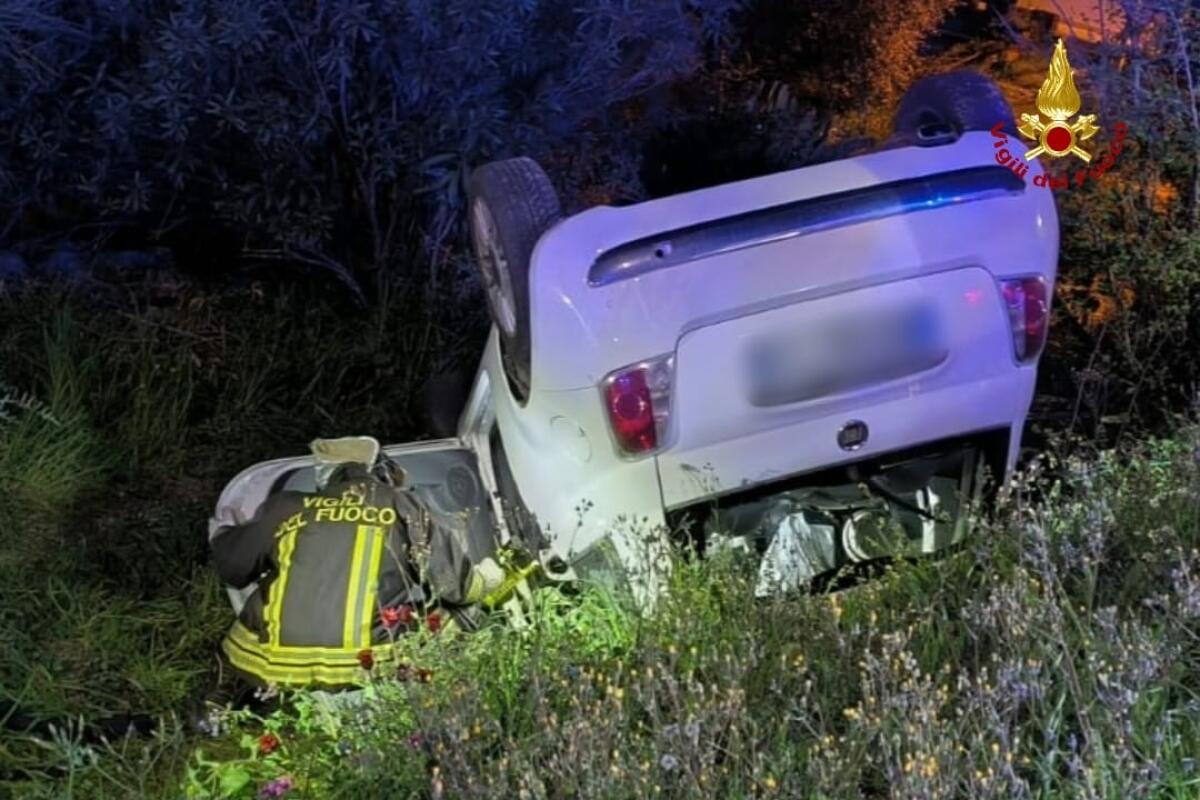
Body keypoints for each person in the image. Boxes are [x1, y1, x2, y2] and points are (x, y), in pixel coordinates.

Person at [210, 437, 502, 688]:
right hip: (368, 660)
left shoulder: (286, 507)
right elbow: (454, 586)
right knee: (466, 612)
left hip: (273, 662)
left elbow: (233, 569)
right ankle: (463, 686)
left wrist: (224, 533)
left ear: (326, 476)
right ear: (379, 470)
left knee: (258, 615)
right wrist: (488, 578)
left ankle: (220, 700)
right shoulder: (401, 506)